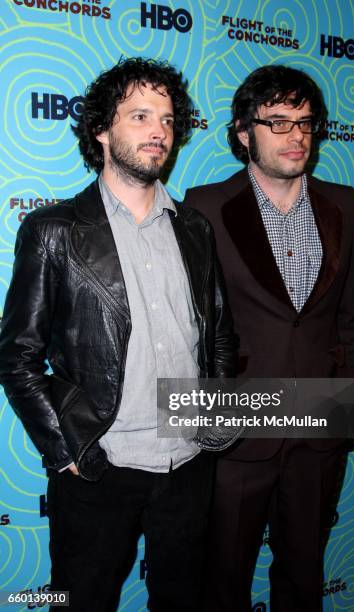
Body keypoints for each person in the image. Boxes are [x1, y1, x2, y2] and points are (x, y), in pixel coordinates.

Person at [0, 57, 237, 612]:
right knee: (79, 601)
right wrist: (65, 453)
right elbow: (17, 356)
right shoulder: (53, 230)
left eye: (169, 119)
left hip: (188, 464)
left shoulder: (195, 228)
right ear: (102, 131)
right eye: (140, 116)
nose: (159, 131)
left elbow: (220, 337)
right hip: (97, 464)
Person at [184, 64, 354, 611]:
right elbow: (190, 325)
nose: (297, 137)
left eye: (307, 123)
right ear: (244, 133)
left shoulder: (347, 205)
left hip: (320, 423)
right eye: (279, 122)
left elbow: (352, 318)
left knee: (304, 570)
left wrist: (345, 412)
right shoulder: (205, 207)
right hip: (237, 427)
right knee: (223, 577)